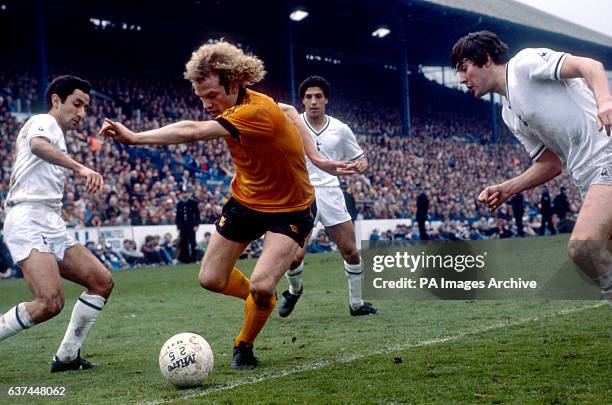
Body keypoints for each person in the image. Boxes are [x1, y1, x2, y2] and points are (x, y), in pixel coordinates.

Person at [99, 42, 350, 370]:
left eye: (212, 95)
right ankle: (262, 300)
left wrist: (134, 137)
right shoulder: (245, 107)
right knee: (211, 278)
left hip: (290, 207)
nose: (205, 104)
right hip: (246, 201)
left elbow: (193, 131)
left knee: (262, 285)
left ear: (234, 85)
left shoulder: (256, 111)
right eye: (200, 96)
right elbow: (290, 112)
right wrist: (315, 157)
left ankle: (244, 342)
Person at [451, 30, 612, 304]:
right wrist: (507, 188)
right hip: (586, 177)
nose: (461, 79)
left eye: (464, 68)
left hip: (606, 155)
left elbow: (591, 66)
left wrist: (605, 101)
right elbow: (549, 164)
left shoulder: (524, 65)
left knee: (583, 248)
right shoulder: (508, 114)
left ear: (486, 59)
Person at [0, 75, 114, 371]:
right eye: (77, 104)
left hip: (48, 219)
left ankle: (67, 357)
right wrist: (79, 167)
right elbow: (38, 146)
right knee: (49, 302)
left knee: (101, 282)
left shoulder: (57, 135)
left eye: (86, 107)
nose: (82, 113)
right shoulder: (44, 122)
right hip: (28, 217)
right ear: (56, 100)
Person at [277, 76, 377, 318]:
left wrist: (362, 164)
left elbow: (358, 158)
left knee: (351, 251)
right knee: (295, 255)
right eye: (308, 97)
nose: (313, 101)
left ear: (326, 99)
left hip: (332, 193)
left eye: (318, 96)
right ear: (301, 100)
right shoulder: (292, 124)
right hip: (301, 194)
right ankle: (294, 289)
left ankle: (356, 304)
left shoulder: (340, 129)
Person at [175, 186, 200, 263]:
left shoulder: (193, 202)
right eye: (183, 193)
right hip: (183, 227)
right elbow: (178, 216)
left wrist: (196, 225)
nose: (185, 194)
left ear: (188, 193)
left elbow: (197, 215)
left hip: (191, 226)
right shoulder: (179, 204)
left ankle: (194, 259)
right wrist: (178, 226)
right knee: (184, 242)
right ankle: (185, 259)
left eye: (186, 192)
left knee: (192, 242)